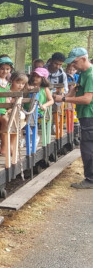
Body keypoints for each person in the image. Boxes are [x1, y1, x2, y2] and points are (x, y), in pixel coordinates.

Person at [54, 48, 93, 189]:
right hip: (85, 114)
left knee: (88, 147)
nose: (72, 66)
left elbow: (87, 99)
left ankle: (90, 179)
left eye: (74, 62)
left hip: (89, 115)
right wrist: (71, 93)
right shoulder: (83, 73)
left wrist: (64, 98)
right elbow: (78, 90)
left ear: (83, 59)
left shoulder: (90, 75)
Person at [0, 73, 29, 161]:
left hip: (14, 113)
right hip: (4, 112)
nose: (20, 85)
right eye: (18, 82)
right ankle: (4, 147)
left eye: (23, 84)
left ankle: (11, 145)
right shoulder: (7, 90)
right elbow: (6, 105)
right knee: (6, 120)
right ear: (12, 81)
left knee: (15, 120)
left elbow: (18, 106)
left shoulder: (20, 93)